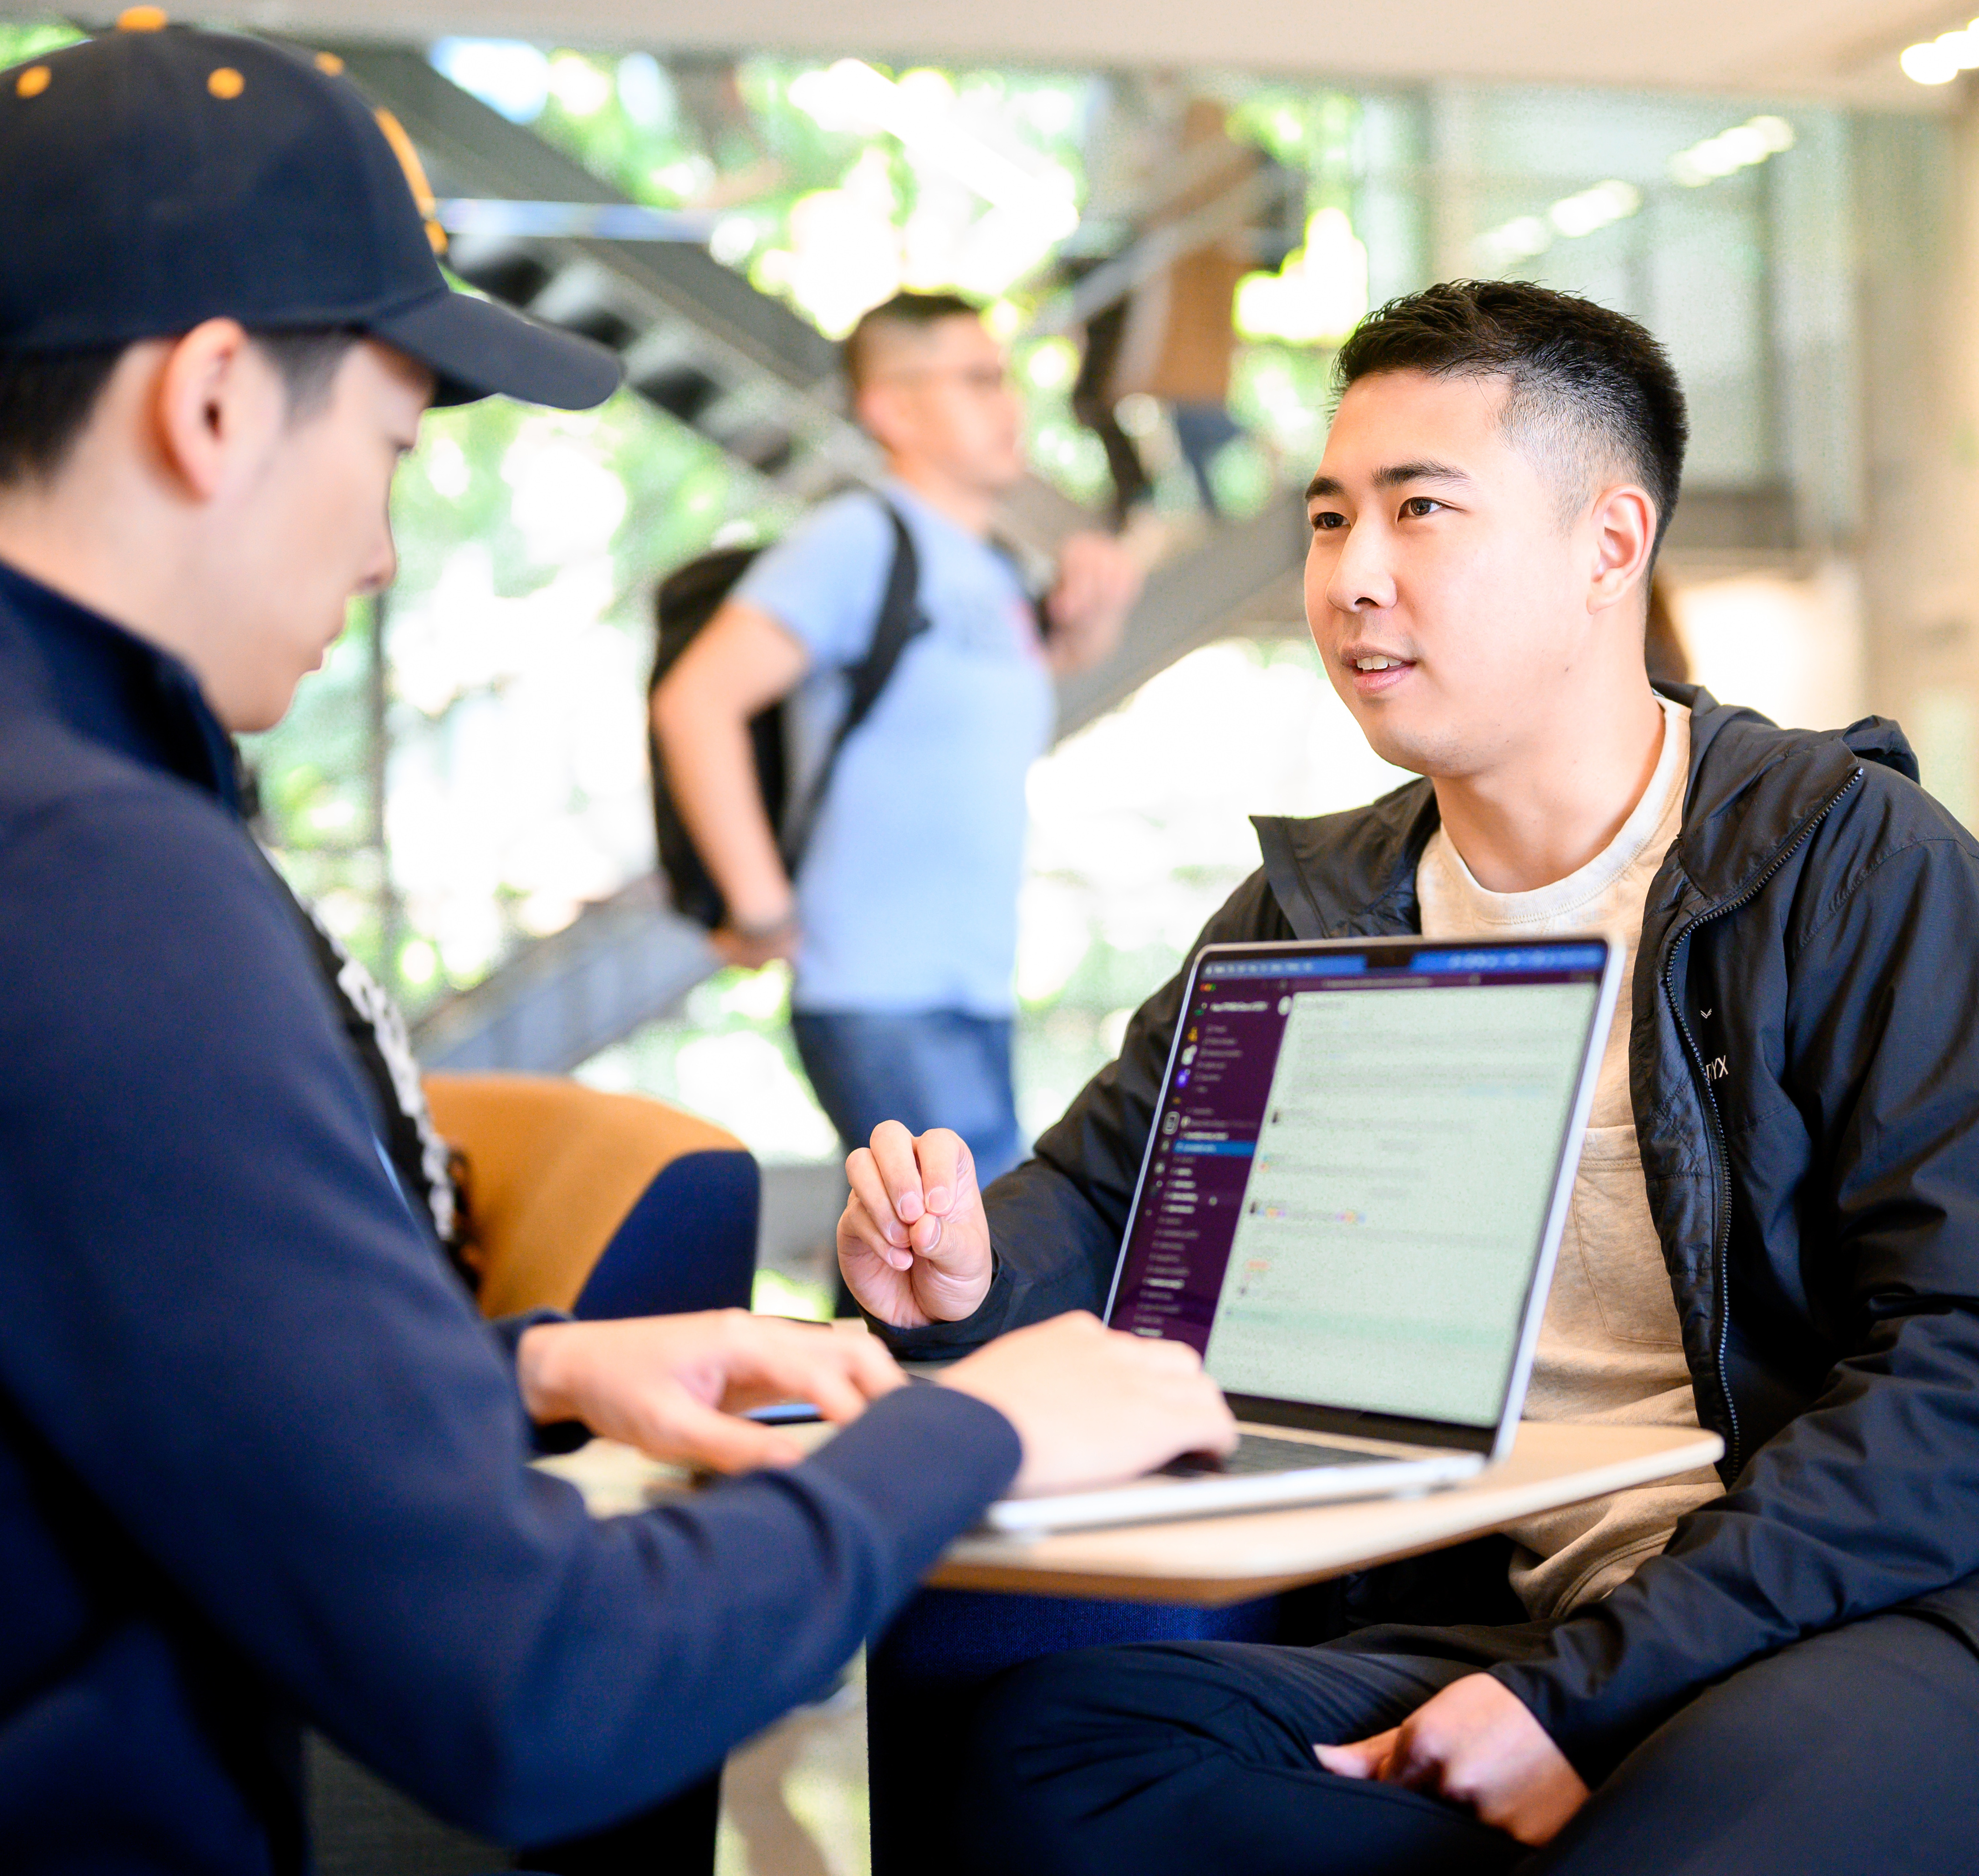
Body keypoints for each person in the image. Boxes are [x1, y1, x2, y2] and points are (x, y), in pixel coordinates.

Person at [839, 280, 1979, 1876]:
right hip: (1523, 1618)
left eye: (1419, 512)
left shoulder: (1854, 867)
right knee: (1049, 1760)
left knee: (1678, 1825)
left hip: (1928, 1613)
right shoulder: (1323, 910)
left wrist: (1590, 1699)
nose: (1351, 579)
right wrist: (962, 1265)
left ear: (1607, 546)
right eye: (1327, 520)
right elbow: (1107, 1198)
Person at [0, 24, 1234, 1871]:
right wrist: (970, 1426)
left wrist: (532, 1372)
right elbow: (536, 1686)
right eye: (395, 450)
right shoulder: (98, 874)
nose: (388, 554)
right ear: (212, 404)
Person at [651, 290, 1143, 1187]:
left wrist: (1091, 621)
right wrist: (759, 901)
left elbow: (972, 720)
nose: (1009, 404)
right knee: (970, 1263)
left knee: (913, 1275)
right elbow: (696, 702)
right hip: (876, 988)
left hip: (973, 985)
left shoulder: (993, 564)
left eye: (1007, 381)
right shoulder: (853, 541)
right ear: (893, 407)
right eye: (977, 380)